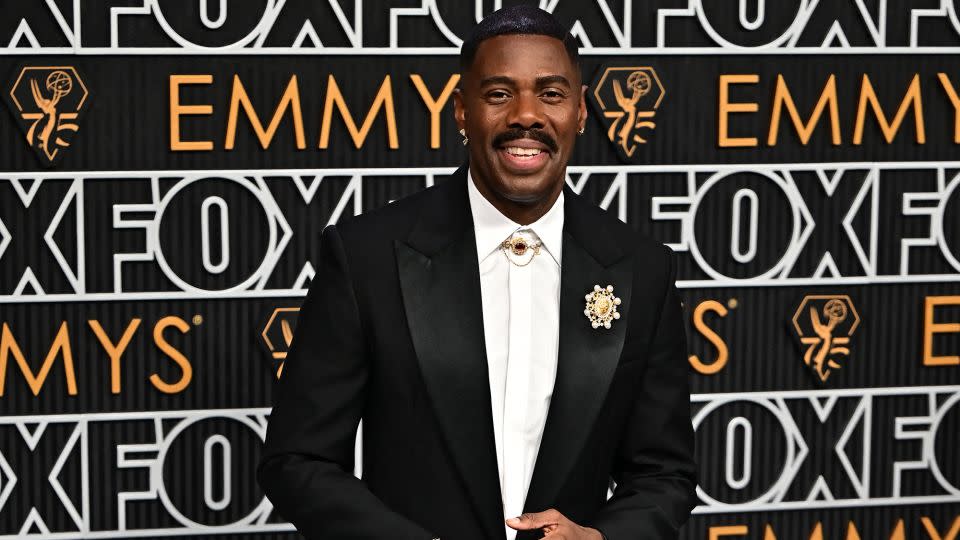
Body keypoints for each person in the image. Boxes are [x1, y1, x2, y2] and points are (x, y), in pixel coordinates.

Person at [257, 6, 698, 540]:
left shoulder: (643, 268)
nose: (526, 115)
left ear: (581, 112)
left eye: (551, 94)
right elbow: (298, 460)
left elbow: (664, 474)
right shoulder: (366, 256)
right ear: (462, 110)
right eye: (498, 94)